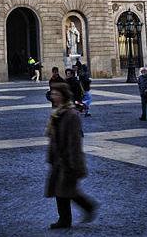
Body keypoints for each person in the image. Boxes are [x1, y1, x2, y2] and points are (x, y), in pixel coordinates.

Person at [45, 82, 98, 229]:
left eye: (56, 93)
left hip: (68, 158)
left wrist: (71, 162)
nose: (53, 96)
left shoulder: (71, 114)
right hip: (59, 157)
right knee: (61, 190)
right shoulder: (58, 112)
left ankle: (86, 208)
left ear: (63, 95)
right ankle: (65, 219)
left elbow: (74, 142)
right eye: (52, 93)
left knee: (66, 190)